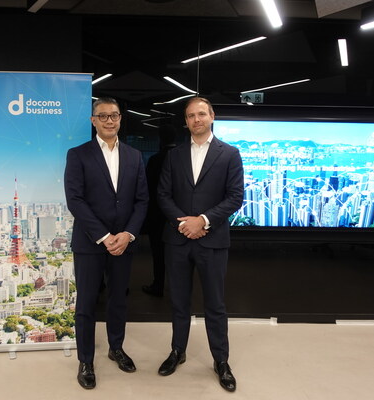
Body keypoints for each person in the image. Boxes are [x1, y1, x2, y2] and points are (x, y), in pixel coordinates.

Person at [156, 97, 244, 392]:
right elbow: (163, 195)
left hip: (213, 240)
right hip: (178, 240)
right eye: (191, 115)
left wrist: (203, 221)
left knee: (215, 304)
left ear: (212, 116)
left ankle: (221, 360)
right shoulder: (174, 155)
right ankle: (177, 351)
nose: (197, 119)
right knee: (178, 301)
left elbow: (235, 197)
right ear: (186, 121)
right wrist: (185, 224)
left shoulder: (230, 154)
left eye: (202, 114)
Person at [64, 97, 148, 390]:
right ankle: (86, 360)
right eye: (103, 116)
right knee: (86, 303)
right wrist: (104, 235)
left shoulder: (134, 156)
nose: (109, 120)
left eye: (114, 115)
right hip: (90, 242)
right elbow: (75, 199)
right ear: (93, 121)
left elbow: (142, 200)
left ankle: (116, 348)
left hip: (124, 242)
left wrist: (128, 234)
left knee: (118, 299)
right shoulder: (78, 155)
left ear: (121, 119)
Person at [142, 124, 176, 297]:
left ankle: (158, 285)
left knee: (158, 252)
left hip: (156, 214)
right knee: (177, 253)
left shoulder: (155, 159)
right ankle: (177, 288)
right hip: (178, 215)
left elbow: (146, 188)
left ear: (160, 139)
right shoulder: (182, 158)